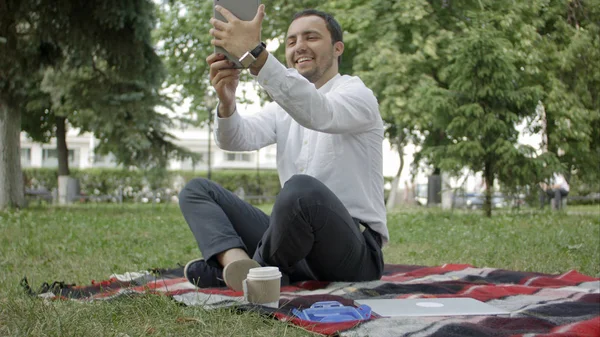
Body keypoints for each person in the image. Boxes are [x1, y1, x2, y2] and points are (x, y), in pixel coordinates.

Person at [178, 5, 388, 291]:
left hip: (352, 252)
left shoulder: (357, 95)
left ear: (338, 48)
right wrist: (227, 102)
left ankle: (256, 276)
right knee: (198, 190)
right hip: (295, 246)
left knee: (301, 190)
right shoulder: (282, 109)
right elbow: (236, 140)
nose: (299, 46)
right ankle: (234, 263)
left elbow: (319, 112)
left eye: (311, 37)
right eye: (291, 41)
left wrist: (257, 56)